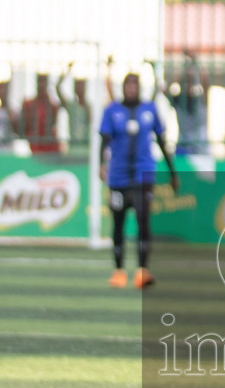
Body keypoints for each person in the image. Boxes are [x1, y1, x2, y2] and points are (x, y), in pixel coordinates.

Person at [99, 71, 178, 288]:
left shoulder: (149, 110)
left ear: (139, 88)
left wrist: (173, 172)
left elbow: (162, 141)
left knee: (143, 222)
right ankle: (118, 271)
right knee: (118, 223)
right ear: (123, 88)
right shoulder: (112, 110)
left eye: (135, 85)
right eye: (128, 85)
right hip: (118, 176)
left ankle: (142, 271)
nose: (131, 89)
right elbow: (104, 141)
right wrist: (101, 164)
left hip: (144, 175)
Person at [163, 51, 210, 159]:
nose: (188, 86)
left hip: (200, 148)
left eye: (190, 83)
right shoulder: (178, 101)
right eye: (185, 84)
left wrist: (195, 63)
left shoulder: (200, 100)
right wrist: (183, 69)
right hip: (183, 146)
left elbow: (206, 82)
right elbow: (165, 91)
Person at [22, 72, 61, 153]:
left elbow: (53, 124)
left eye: (43, 82)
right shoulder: (29, 104)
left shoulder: (51, 106)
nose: (41, 85)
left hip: (49, 147)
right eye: (40, 82)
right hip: (33, 146)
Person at [57, 69, 92, 152]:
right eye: (77, 85)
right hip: (72, 149)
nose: (79, 88)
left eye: (81, 85)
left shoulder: (89, 107)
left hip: (86, 149)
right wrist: (66, 71)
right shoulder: (71, 106)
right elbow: (58, 89)